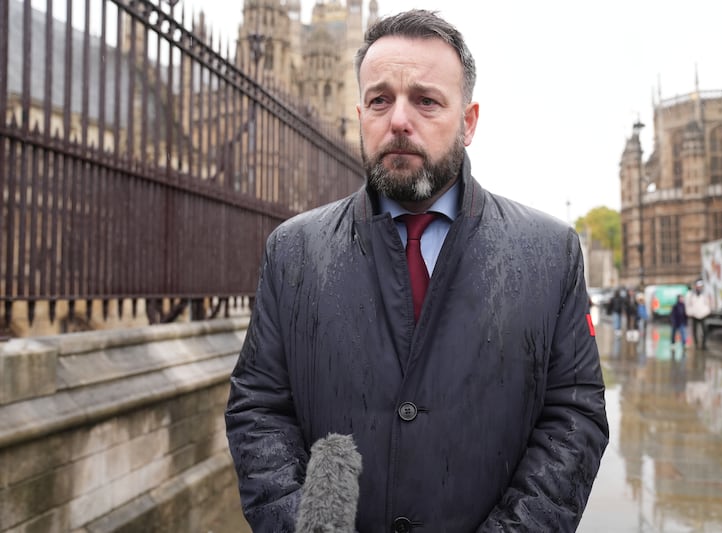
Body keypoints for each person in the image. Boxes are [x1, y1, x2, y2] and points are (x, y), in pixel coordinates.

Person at [225, 9, 608, 532]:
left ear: (469, 122)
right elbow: (258, 408)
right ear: (360, 113)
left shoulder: (549, 251)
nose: (399, 119)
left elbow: (574, 417)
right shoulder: (293, 251)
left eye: (426, 100)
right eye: (380, 99)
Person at [685, 279, 712, 349]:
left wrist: (707, 311)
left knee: (705, 330)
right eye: (698, 286)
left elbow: (708, 304)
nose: (699, 288)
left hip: (703, 314)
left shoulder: (705, 295)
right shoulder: (691, 295)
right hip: (694, 314)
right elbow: (688, 304)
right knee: (695, 331)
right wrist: (690, 312)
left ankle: (704, 344)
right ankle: (696, 345)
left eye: (700, 286)